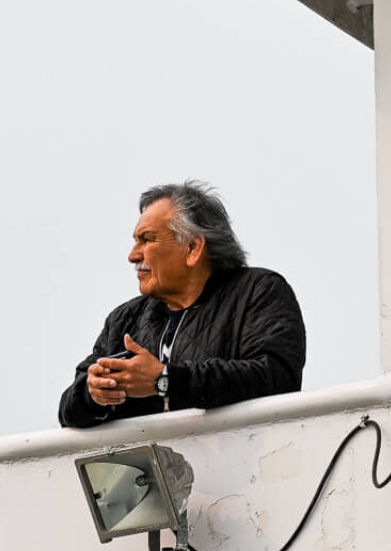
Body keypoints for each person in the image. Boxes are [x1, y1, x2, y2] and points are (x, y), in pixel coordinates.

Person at [57, 181, 307, 429]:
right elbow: (68, 411)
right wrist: (94, 394)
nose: (133, 255)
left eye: (147, 239)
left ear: (192, 248)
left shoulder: (258, 291)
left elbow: (277, 378)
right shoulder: (125, 319)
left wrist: (165, 380)